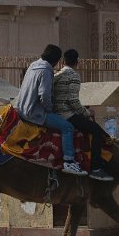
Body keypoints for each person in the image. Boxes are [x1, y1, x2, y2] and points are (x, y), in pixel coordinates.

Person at [16, 44, 84, 176]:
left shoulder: (33, 65)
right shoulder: (46, 71)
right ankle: (69, 161)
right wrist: (50, 110)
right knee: (67, 127)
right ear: (57, 60)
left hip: (22, 108)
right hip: (34, 113)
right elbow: (45, 96)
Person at [52, 49, 114, 181]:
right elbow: (73, 101)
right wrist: (87, 112)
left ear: (63, 62)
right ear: (77, 62)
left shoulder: (57, 74)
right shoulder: (73, 75)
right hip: (66, 114)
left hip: (56, 113)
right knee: (96, 131)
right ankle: (96, 168)